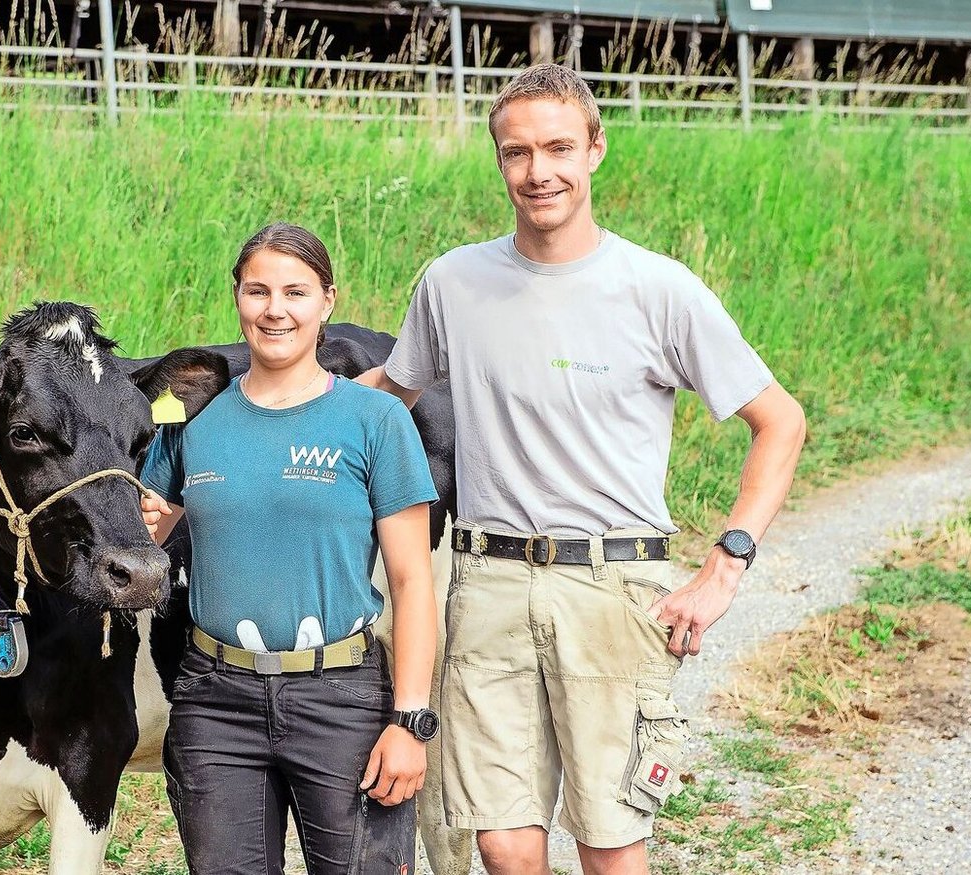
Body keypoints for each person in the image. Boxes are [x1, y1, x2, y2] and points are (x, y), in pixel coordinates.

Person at [356, 65, 807, 875]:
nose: (539, 171)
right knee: (501, 839)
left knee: (608, 842)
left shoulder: (657, 289)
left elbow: (780, 420)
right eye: (517, 152)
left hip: (611, 586)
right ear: (498, 161)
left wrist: (724, 567)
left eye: (559, 147)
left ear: (595, 149)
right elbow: (386, 393)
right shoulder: (453, 281)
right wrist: (253, 409)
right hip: (487, 581)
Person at [139, 222, 441, 875]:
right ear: (238, 298)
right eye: (259, 290)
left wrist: (410, 719)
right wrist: (148, 522)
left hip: (342, 698)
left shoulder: (375, 419)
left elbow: (414, 581)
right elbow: (148, 534)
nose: (275, 309)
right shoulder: (190, 418)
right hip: (215, 702)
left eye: (295, 291)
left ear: (327, 300)